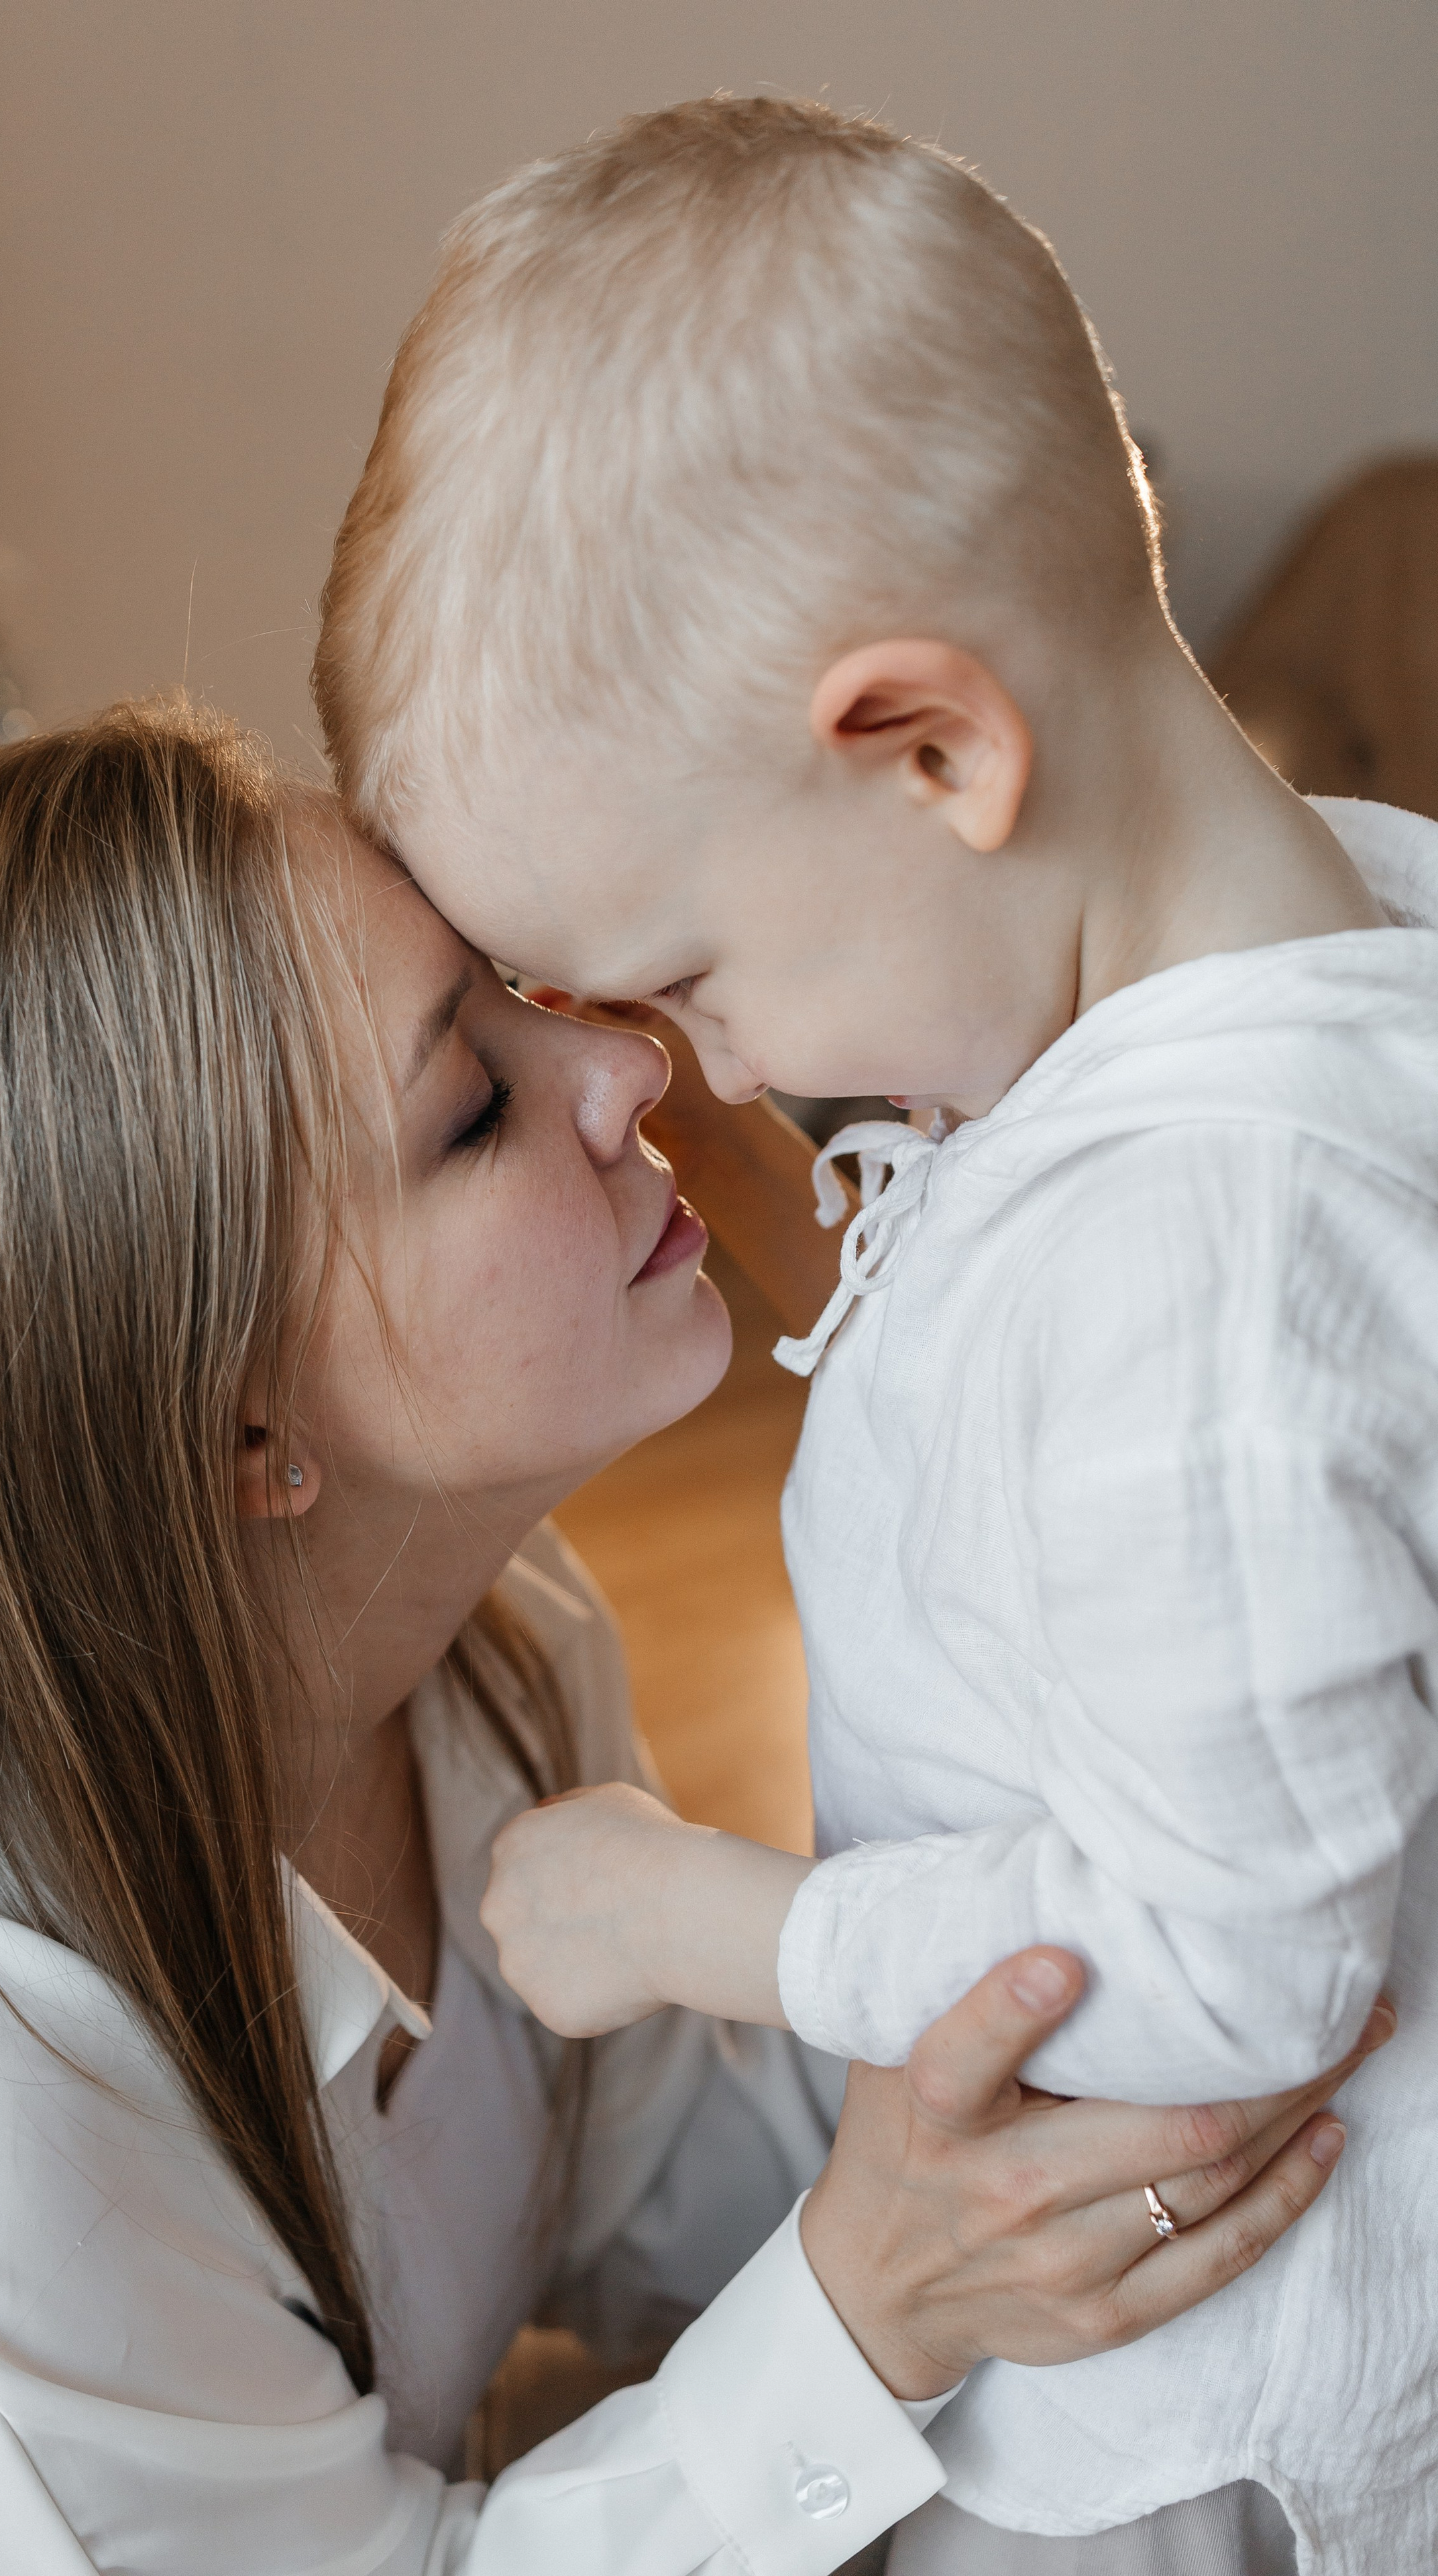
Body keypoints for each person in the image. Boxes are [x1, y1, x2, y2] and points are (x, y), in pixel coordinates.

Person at [0, 706, 1372, 2576]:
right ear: (244, 1434)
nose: (618, 1061)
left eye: (517, 990)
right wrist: (863, 2317)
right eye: (475, 1108)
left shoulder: (485, 1655)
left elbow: (672, 2188)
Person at [311, 95, 1438, 2573]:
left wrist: (708, 1920)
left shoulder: (1201, 1254)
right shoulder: (1350, 939)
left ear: (932, 750)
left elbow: (1218, 1978)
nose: (693, 1075)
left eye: (692, 971)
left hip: (1183, 2397)